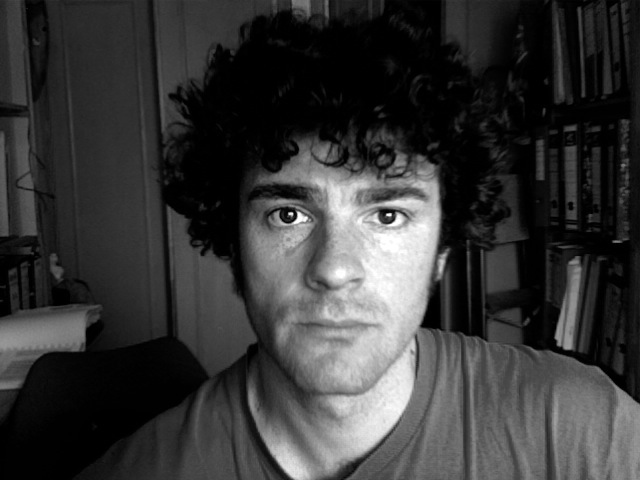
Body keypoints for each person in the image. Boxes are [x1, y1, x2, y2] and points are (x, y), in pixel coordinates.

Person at [76, 6, 640, 480]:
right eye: (289, 214)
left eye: (388, 215)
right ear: (234, 246)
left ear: (442, 251)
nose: (335, 268)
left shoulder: (586, 432)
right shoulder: (141, 470)